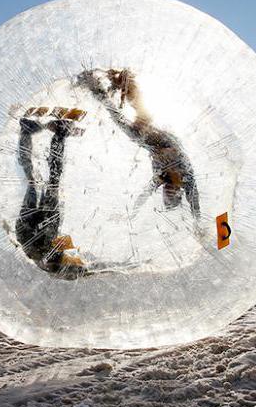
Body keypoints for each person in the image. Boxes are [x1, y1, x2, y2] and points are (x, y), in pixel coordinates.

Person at [77, 68, 201, 219]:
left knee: (126, 124)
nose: (166, 191)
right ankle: (126, 81)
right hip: (166, 141)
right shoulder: (186, 180)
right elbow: (194, 202)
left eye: (165, 194)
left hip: (152, 145)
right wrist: (198, 222)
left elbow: (144, 196)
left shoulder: (160, 179)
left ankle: (99, 88)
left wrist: (131, 215)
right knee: (143, 119)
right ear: (177, 193)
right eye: (170, 194)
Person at [14, 108, 88, 279]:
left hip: (33, 230)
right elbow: (64, 241)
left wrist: (79, 269)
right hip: (34, 230)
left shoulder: (51, 262)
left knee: (44, 181)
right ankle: (32, 131)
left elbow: (63, 244)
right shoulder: (52, 261)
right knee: (35, 182)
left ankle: (52, 132)